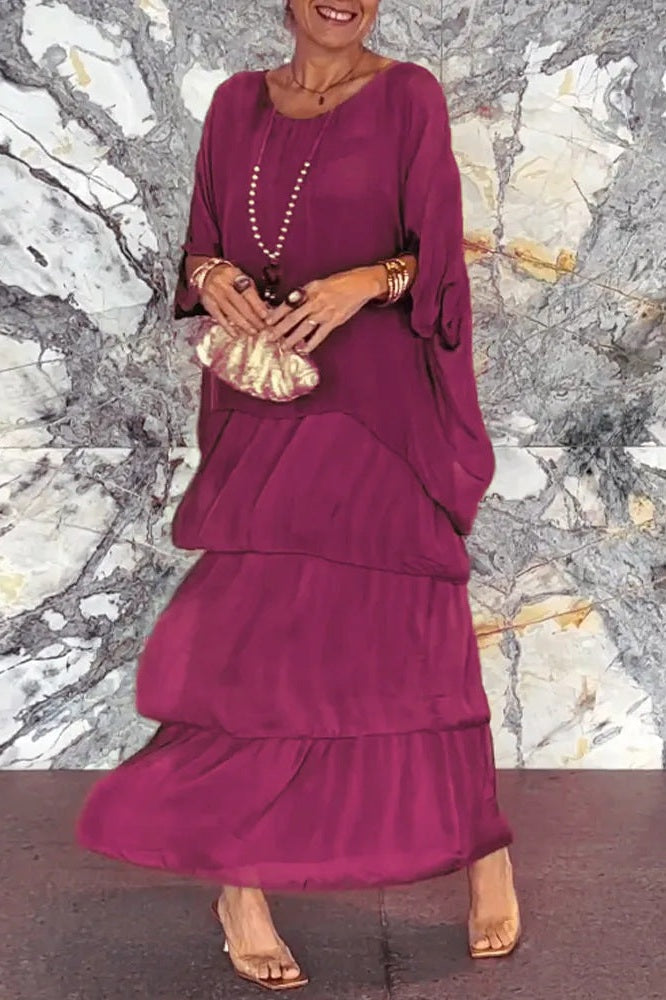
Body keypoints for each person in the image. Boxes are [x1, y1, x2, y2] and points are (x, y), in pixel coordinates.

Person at [76, 0, 521, 990]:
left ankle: (481, 847)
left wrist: (365, 282)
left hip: (381, 409)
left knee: (411, 637)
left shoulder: (408, 96)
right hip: (267, 405)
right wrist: (213, 278)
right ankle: (240, 887)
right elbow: (200, 249)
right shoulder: (237, 104)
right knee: (256, 648)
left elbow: (440, 259)